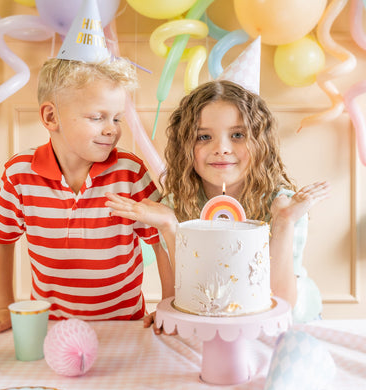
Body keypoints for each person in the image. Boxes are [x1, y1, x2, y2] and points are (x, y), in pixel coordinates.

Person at [106, 80, 330, 325]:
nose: (222, 148)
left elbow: (282, 304)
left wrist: (283, 222)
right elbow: (178, 299)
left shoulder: (284, 206)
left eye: (237, 135)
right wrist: (170, 227)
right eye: (204, 136)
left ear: (260, 143)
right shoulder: (173, 207)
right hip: (215, 326)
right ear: (185, 147)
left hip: (293, 324)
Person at [0, 57, 174, 336]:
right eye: (97, 117)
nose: (112, 129)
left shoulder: (129, 172)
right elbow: (0, 238)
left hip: (125, 327)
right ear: (51, 117)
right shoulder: (20, 175)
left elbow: (162, 241)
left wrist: (170, 306)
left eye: (117, 118)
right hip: (51, 329)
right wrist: (3, 306)